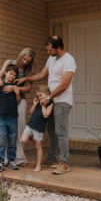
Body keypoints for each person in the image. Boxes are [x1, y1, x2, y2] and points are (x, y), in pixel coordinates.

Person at [15, 36, 76, 175]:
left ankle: (64, 163)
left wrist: (48, 97)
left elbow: (65, 85)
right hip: (52, 99)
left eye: (50, 50)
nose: (48, 53)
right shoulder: (52, 58)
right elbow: (42, 74)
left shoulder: (69, 60)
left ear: (58, 48)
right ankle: (52, 159)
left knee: (60, 131)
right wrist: (26, 78)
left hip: (62, 100)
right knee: (52, 130)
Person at [0, 47, 35, 167]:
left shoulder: (28, 71)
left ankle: (19, 158)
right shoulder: (9, 62)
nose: (25, 62)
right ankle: (2, 159)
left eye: (28, 61)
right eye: (24, 59)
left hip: (19, 101)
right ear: (21, 55)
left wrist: (14, 88)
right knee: (2, 133)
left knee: (18, 131)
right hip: (4, 102)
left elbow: (28, 88)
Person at [0, 64, 21, 173]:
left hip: (13, 117)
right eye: (11, 73)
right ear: (6, 73)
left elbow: (18, 101)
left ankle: (12, 160)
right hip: (2, 116)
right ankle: (0, 162)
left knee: (12, 140)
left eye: (15, 75)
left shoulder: (16, 86)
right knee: (1, 140)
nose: (12, 76)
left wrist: (17, 93)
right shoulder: (0, 85)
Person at [21, 85, 54, 173]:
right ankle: (35, 141)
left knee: (38, 148)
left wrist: (43, 105)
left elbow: (46, 115)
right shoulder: (38, 102)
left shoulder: (50, 104)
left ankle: (38, 166)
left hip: (38, 129)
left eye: (41, 96)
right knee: (23, 140)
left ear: (47, 94)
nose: (39, 98)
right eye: (38, 96)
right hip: (30, 125)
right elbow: (31, 111)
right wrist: (35, 104)